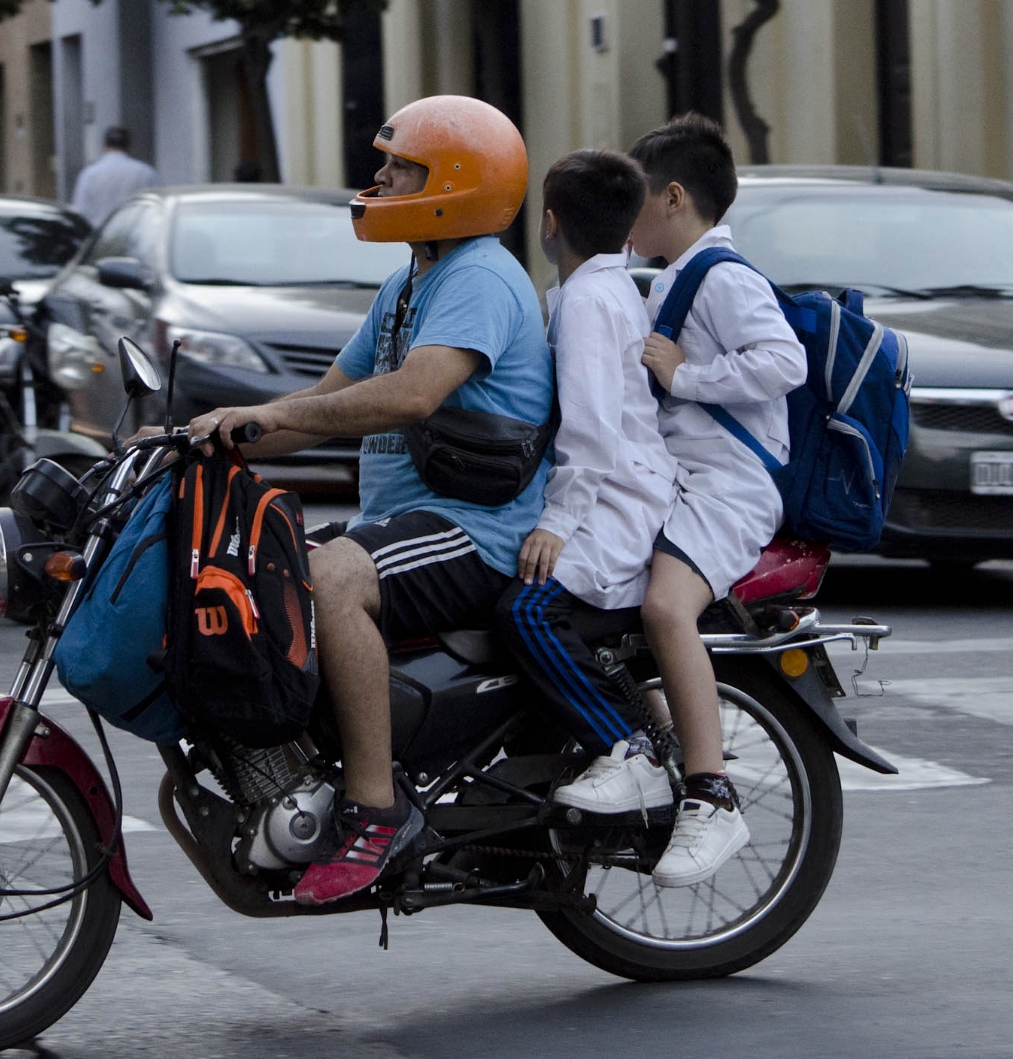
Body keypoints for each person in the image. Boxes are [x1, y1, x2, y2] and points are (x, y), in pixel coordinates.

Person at [186, 95, 551, 907]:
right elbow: (326, 403)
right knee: (264, 571)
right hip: (408, 522)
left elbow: (413, 395)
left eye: (400, 166)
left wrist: (271, 416)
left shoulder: (480, 277)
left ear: (454, 183)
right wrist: (203, 439)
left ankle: (377, 807)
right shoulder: (409, 282)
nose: (379, 177)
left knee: (334, 578)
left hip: (478, 529)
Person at [626, 113, 807, 887]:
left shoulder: (724, 278)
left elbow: (783, 361)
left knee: (666, 609)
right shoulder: (677, 275)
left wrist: (684, 376)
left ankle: (711, 792)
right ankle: (649, 749)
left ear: (673, 198)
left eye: (635, 199)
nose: (626, 215)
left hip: (731, 488)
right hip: (690, 481)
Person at [492, 149, 677, 806]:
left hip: (613, 502)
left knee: (527, 608)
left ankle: (631, 749)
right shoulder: (601, 290)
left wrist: (558, 521)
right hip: (617, 489)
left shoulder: (591, 301)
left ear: (548, 223)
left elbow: (593, 425)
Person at [70, 126, 158, 226]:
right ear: (129, 146)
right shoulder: (145, 172)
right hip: (136, 235)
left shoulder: (89, 174)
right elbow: (155, 209)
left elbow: (81, 212)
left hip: (100, 236)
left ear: (105, 146)